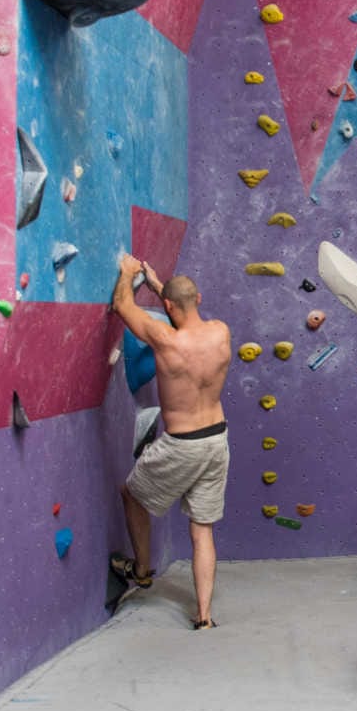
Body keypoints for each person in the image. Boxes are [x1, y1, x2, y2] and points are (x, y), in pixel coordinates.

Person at [109, 256, 234, 630]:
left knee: (131, 494)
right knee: (202, 528)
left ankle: (143, 571)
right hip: (217, 440)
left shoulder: (166, 340)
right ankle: (205, 616)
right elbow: (183, 307)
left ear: (167, 307)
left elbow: (121, 306)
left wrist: (129, 274)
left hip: (183, 443)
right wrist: (158, 283)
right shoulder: (221, 332)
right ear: (199, 297)